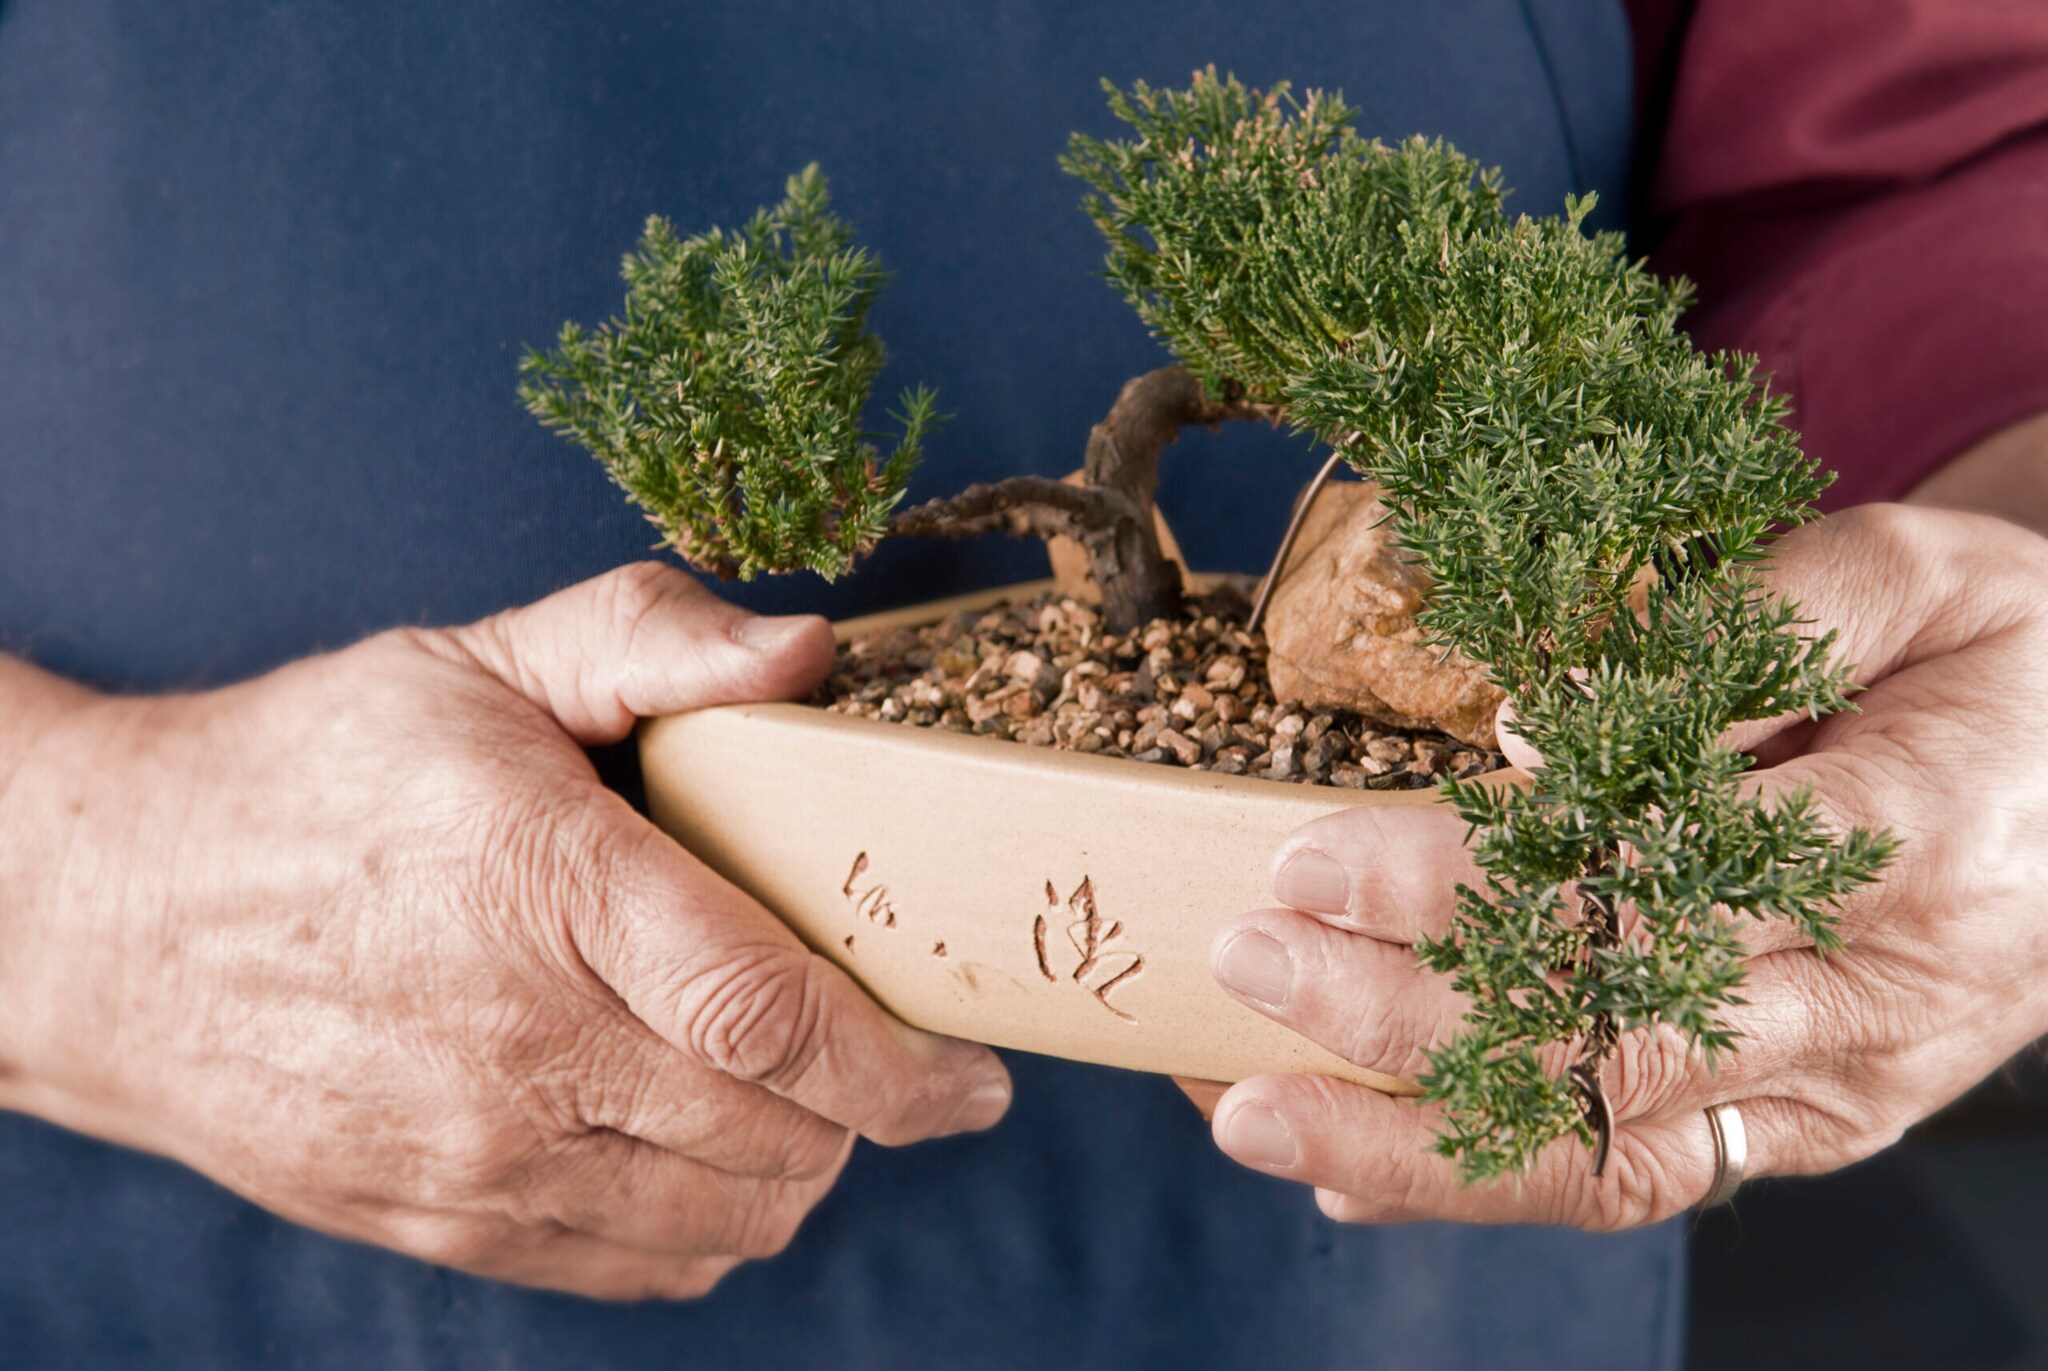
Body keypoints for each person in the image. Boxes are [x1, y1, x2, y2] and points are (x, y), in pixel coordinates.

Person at [0, 3, 2042, 1368]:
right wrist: (82, 881)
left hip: (1389, 1246)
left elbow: (1956, 165)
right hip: (170, 1227)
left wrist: (2007, 664)